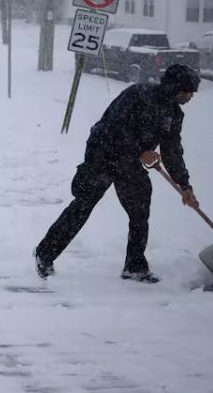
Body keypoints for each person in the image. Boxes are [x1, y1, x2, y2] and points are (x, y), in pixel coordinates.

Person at [34, 64, 201, 283]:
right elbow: (113, 127)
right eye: (187, 91)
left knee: (140, 211)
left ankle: (134, 266)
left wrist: (184, 186)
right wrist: (141, 151)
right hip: (103, 153)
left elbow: (172, 151)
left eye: (192, 92)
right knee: (84, 205)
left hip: (129, 163)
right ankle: (44, 254)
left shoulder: (173, 115)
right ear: (174, 87)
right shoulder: (138, 94)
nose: (190, 96)